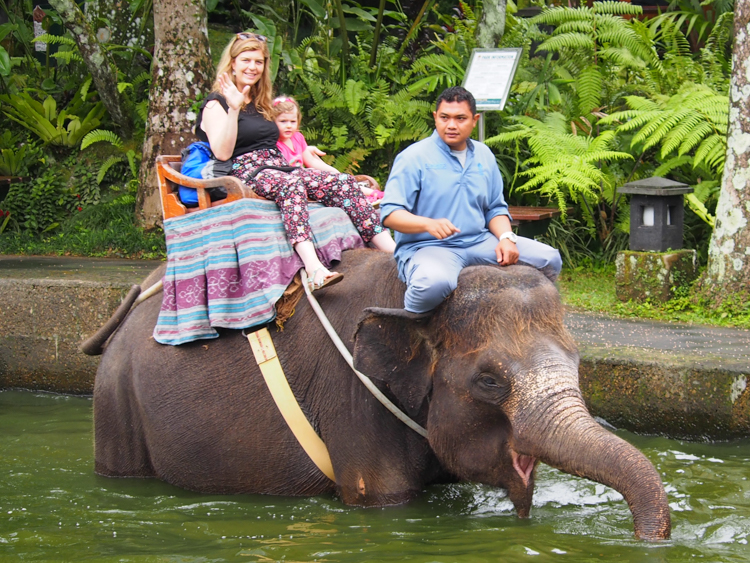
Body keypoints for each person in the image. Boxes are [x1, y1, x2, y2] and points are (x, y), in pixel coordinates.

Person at [195, 33, 395, 291]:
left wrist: (302, 150)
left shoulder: (261, 102)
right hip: (245, 171)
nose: (252, 67)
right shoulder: (216, 104)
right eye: (246, 60)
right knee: (290, 185)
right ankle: (314, 269)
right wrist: (233, 109)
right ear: (232, 63)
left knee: (341, 182)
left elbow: (278, 140)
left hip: (279, 165)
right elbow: (222, 153)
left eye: (259, 62)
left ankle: (394, 253)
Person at [380, 86, 562, 314]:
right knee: (433, 285)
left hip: (479, 242)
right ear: (435, 117)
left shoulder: (484, 155)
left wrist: (506, 238)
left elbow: (495, 208)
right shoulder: (413, 157)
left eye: (460, 118)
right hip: (429, 247)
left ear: (475, 120)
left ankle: (531, 327)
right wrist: (428, 223)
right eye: (444, 117)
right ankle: (408, 328)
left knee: (549, 259)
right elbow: (390, 214)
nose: (452, 125)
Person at [271, 95, 384, 207]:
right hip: (295, 183)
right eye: (283, 121)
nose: (289, 126)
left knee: (339, 179)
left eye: (293, 121)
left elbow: (311, 161)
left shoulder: (297, 137)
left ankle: (372, 195)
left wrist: (335, 172)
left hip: (308, 177)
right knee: (332, 183)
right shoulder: (274, 144)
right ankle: (366, 196)